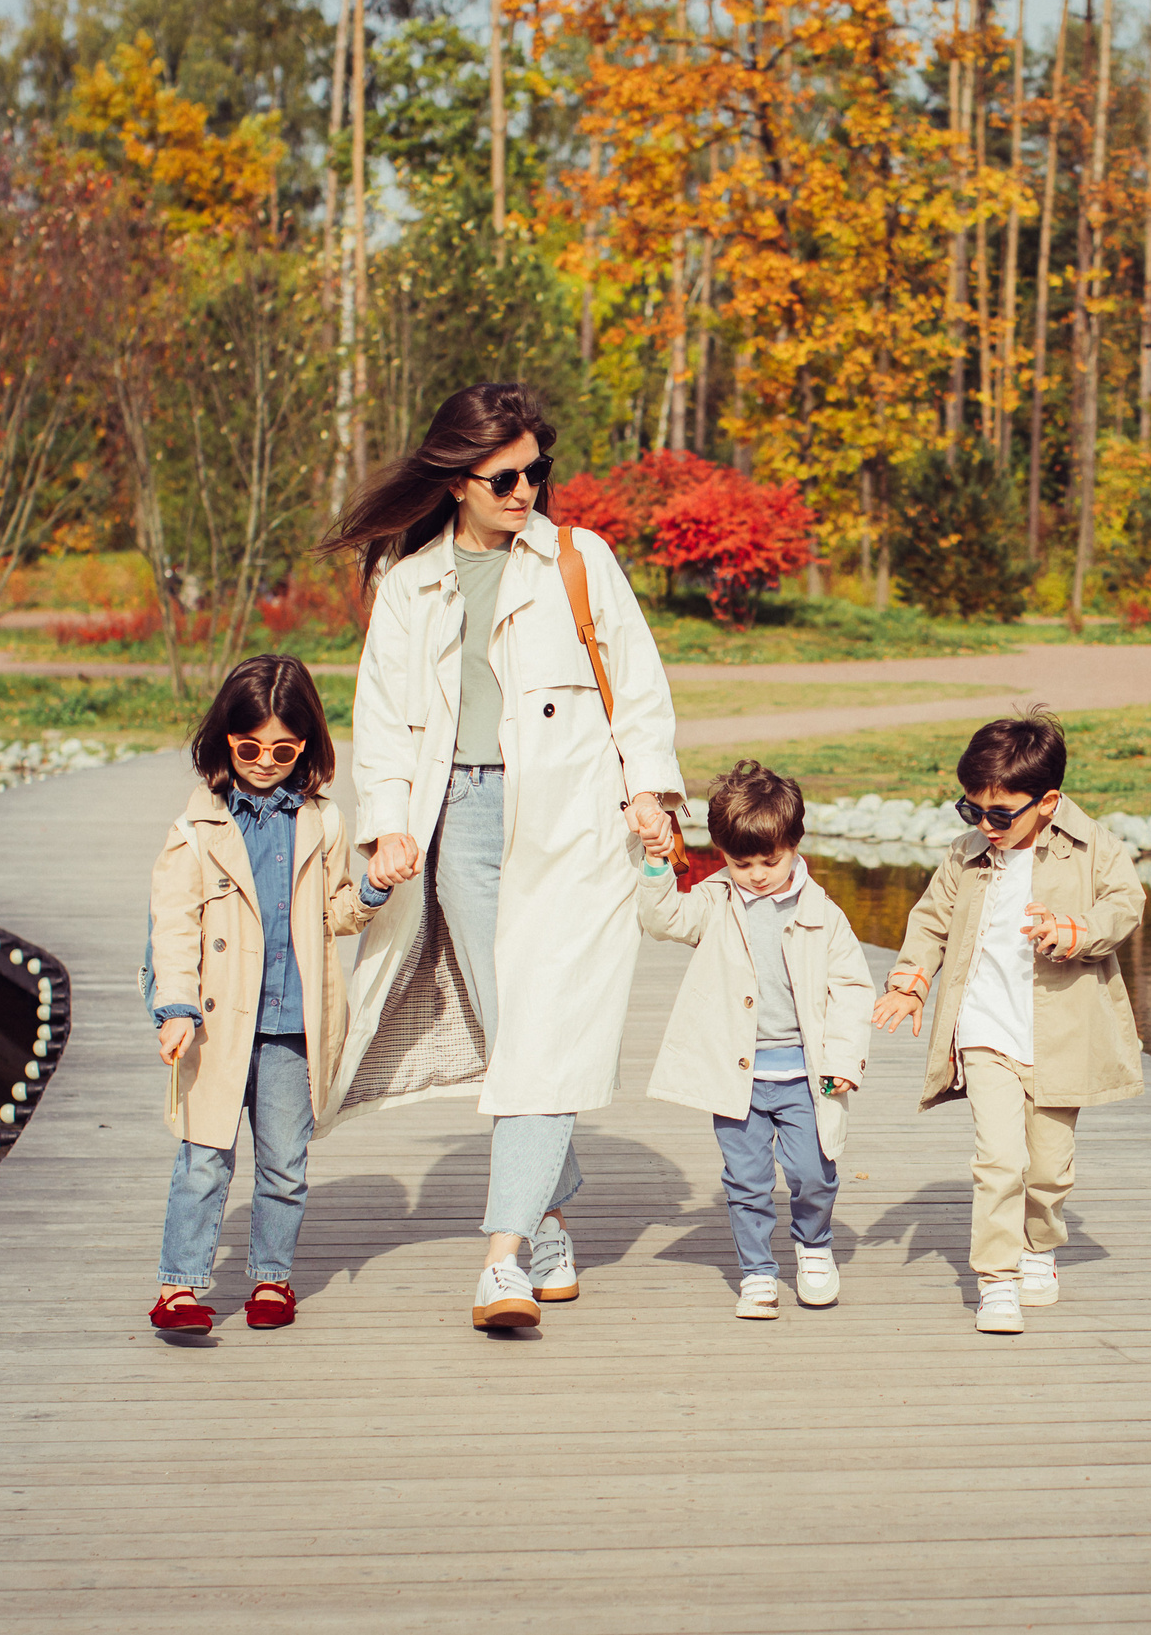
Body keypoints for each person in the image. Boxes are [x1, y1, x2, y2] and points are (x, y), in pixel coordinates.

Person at [319, 382, 683, 1332]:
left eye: (536, 472)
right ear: (455, 482)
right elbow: (384, 725)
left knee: (544, 1032)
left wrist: (650, 792)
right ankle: (552, 1203)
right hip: (462, 828)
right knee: (515, 1031)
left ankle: (504, 1258)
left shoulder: (579, 560)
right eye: (504, 477)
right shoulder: (409, 586)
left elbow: (636, 687)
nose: (526, 490)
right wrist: (388, 823)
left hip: (574, 824)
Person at [871, 710, 1146, 1334]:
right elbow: (931, 922)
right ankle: (995, 1280)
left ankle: (1038, 1246)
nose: (985, 826)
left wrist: (1075, 931)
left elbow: (1125, 905)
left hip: (1060, 1036)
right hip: (986, 1029)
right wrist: (910, 984)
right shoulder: (965, 857)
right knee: (999, 1159)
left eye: (1001, 814)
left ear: (1047, 803)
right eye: (972, 811)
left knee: (1048, 1168)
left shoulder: (1092, 846)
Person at [147, 655, 387, 1333]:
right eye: (249, 746)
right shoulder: (197, 828)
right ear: (226, 737)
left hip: (291, 1023)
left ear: (305, 744)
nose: (264, 761)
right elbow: (172, 924)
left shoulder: (323, 821)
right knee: (203, 1156)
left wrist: (372, 888)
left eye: (282, 748)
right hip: (215, 1024)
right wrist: (175, 1008)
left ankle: (272, 1277)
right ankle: (180, 1285)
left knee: (285, 1163)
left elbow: (333, 911)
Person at [635, 762, 873, 1320]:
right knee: (746, 1179)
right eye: (742, 863)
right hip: (738, 1073)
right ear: (722, 854)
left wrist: (843, 1059)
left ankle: (814, 1247)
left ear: (794, 845)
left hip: (806, 1075)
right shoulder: (716, 901)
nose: (758, 874)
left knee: (814, 1171)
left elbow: (854, 989)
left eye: (771, 860)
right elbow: (663, 918)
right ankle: (757, 1272)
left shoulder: (824, 915)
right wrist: (653, 863)